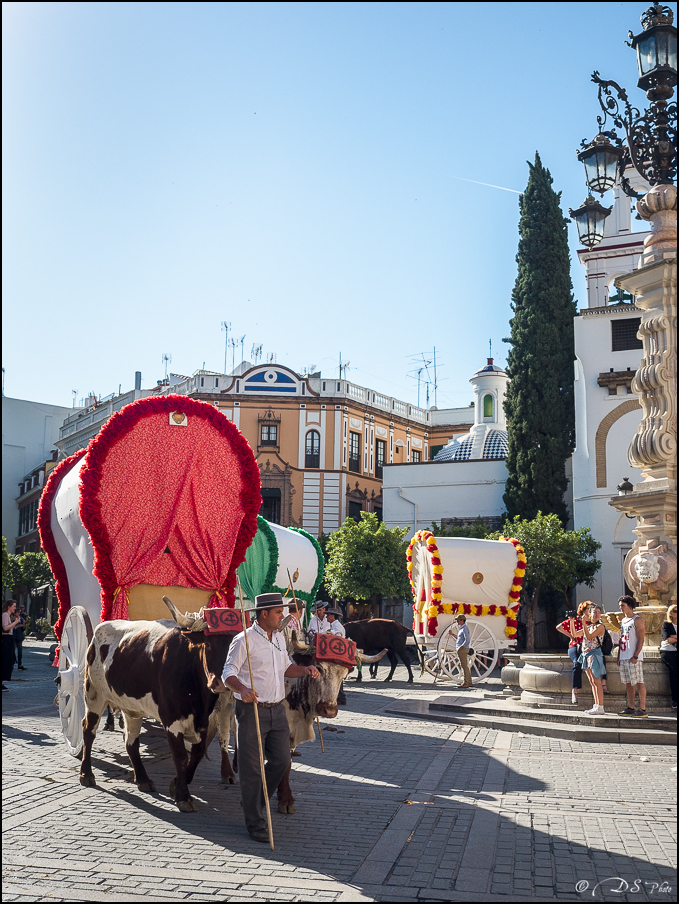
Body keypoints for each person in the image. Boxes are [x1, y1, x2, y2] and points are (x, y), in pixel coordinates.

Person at [220, 592, 320, 843]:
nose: (282, 616)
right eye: (278, 612)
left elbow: (287, 668)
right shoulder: (243, 640)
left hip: (277, 709)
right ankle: (255, 823)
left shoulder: (278, 639)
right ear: (263, 614)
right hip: (252, 710)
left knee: (282, 760)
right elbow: (227, 673)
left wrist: (305, 670)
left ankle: (254, 798)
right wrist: (242, 689)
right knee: (252, 768)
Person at [617, 595, 647, 718]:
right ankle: (631, 706)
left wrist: (635, 655)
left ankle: (643, 708)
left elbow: (641, 639)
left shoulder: (637, 619)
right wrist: (619, 656)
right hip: (624, 656)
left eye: (622, 606)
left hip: (634, 656)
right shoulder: (623, 621)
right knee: (628, 683)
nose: (621, 608)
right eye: (620, 606)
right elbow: (621, 639)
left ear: (629, 606)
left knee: (639, 682)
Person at [575, 604, 606, 715]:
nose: (597, 614)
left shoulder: (600, 627)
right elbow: (575, 634)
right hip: (586, 655)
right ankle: (596, 705)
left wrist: (583, 623)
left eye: (598, 612)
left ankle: (600, 706)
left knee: (597, 681)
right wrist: (571, 620)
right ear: (590, 614)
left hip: (595, 655)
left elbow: (589, 637)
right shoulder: (588, 627)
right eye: (594, 612)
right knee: (592, 682)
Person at [556, 600, 588, 705]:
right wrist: (571, 636)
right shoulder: (575, 621)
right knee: (576, 663)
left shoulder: (591, 622)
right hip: (575, 645)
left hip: (587, 646)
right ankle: (574, 691)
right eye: (588, 609)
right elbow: (558, 627)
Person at [660, 603, 677, 710]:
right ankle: (675, 701)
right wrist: (672, 638)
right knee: (674, 672)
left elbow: (672, 639)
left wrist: (674, 637)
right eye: (675, 611)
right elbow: (668, 639)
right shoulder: (666, 625)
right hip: (667, 651)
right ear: (670, 613)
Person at [2, 600, 21, 691]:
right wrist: (15, 622)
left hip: (8, 639)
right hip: (6, 639)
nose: (14, 608)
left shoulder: (8, 615)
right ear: (9, 606)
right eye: (13, 606)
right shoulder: (5, 615)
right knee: (6, 660)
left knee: (8, 660)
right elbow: (5, 628)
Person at [455, 614, 473, 688]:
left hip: (462, 649)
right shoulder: (462, 628)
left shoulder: (464, 628)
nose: (457, 622)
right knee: (464, 665)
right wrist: (452, 634)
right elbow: (460, 638)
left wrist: (462, 646)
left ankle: (466, 682)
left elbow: (467, 640)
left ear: (462, 620)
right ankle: (469, 681)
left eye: (458, 620)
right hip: (462, 648)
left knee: (464, 666)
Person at [14, 605, 27, 671]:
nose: (18, 614)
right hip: (13, 636)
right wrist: (18, 625)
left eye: (19, 613)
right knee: (12, 651)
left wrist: (23, 625)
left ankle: (20, 665)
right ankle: (12, 664)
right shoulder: (12, 618)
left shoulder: (21, 619)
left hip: (19, 636)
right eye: (17, 613)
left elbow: (23, 629)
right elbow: (13, 627)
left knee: (20, 651)